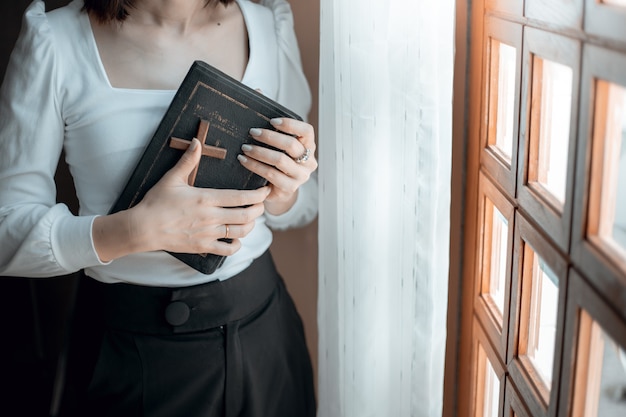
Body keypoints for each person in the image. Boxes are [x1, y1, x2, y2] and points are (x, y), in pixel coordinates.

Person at [0, 0, 317, 416]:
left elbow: (303, 205)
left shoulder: (267, 26)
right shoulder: (55, 42)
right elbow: (7, 232)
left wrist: (283, 192)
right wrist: (135, 231)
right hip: (131, 356)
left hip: (265, 336)